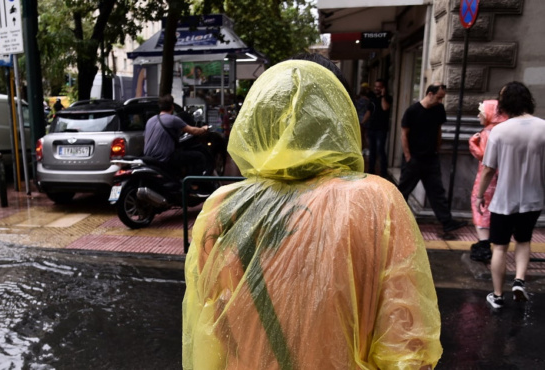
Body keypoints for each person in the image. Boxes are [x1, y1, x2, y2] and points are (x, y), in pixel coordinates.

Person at [183, 58, 442, 369]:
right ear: (340, 117)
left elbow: (208, 333)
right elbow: (408, 346)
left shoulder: (222, 210)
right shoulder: (375, 203)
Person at [475, 82, 545, 309]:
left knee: (500, 246)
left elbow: (488, 168)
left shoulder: (500, 131)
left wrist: (479, 195)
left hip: (504, 200)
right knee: (524, 241)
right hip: (533, 198)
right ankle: (519, 281)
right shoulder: (543, 127)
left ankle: (497, 295)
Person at [398, 84, 467, 233]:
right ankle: (392, 221)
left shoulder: (438, 110)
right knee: (403, 191)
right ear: (430, 94)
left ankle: (447, 222)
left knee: (437, 192)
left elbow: (438, 130)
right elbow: (404, 134)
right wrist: (408, 156)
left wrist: (437, 148)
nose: (440, 101)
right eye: (439, 97)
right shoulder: (412, 111)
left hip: (431, 158)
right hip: (414, 159)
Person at [468, 100, 507, 262]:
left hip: (487, 178)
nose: (478, 116)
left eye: (481, 113)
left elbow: (485, 159)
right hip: (504, 178)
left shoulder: (488, 133)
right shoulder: (505, 131)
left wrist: (472, 144)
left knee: (480, 207)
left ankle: (484, 244)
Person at [144, 95, 208, 181]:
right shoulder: (173, 119)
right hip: (165, 158)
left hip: (149, 158)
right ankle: (193, 187)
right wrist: (203, 129)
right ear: (172, 106)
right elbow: (193, 131)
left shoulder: (150, 120)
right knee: (199, 157)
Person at [367, 79, 393, 178]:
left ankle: (383, 173)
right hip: (371, 128)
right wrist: (362, 123)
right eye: (375, 86)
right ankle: (371, 172)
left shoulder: (387, 98)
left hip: (381, 129)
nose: (376, 88)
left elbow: (385, 108)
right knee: (372, 151)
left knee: (380, 151)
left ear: (383, 88)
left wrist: (383, 96)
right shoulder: (372, 98)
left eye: (379, 87)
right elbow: (369, 112)